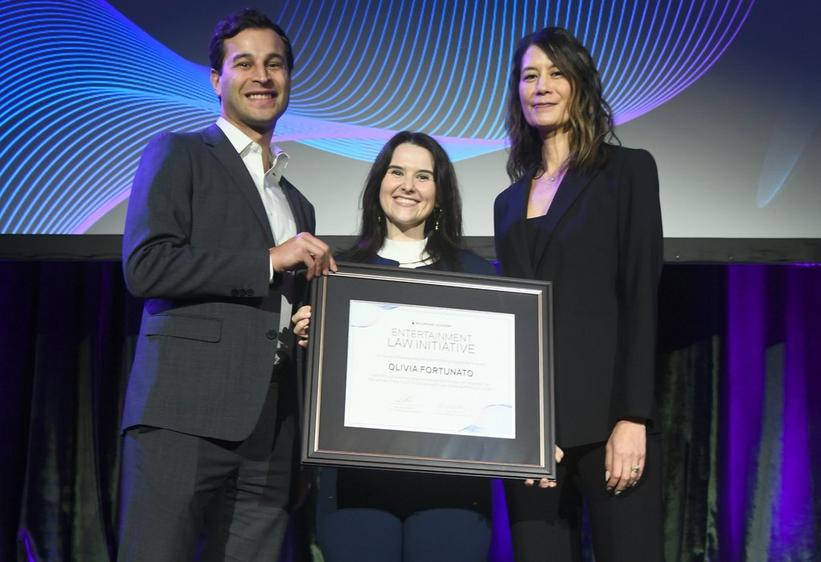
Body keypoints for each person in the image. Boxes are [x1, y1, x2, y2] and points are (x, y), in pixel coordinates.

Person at [117, 9, 336, 562]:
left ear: (288, 78)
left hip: (272, 429)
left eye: (275, 64)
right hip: (183, 417)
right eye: (245, 64)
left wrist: (307, 324)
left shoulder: (297, 202)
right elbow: (146, 265)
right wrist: (268, 258)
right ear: (217, 80)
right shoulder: (180, 154)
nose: (262, 76)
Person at [493, 27, 664, 562]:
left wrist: (632, 418)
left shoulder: (627, 171)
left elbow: (641, 295)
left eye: (555, 73)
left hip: (610, 426)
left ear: (580, 86)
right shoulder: (506, 201)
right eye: (529, 76)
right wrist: (525, 431)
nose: (540, 87)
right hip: (534, 439)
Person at [292, 131, 496, 562]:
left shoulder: (479, 275)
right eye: (397, 172)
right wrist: (310, 339)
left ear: (440, 194)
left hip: (451, 486)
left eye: (424, 176)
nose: (408, 185)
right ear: (378, 184)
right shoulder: (336, 273)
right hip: (357, 484)